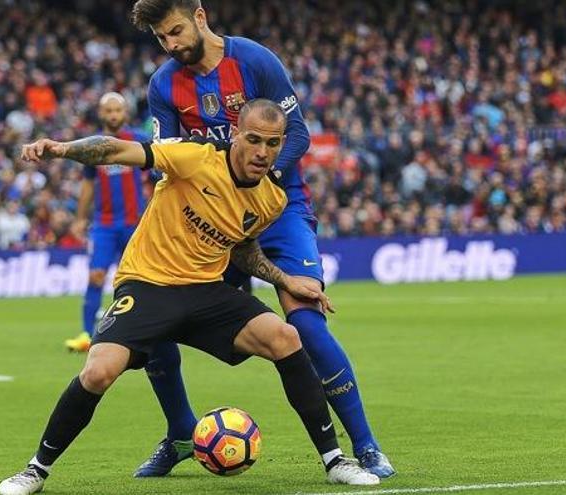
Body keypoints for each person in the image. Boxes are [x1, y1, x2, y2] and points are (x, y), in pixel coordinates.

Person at [0, 100, 379, 495]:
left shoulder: (271, 199)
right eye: (253, 140)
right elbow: (115, 149)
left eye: (272, 143)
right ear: (235, 134)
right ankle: (35, 471)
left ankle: (335, 460)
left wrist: (286, 280)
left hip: (205, 292)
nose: (262, 152)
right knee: (97, 372)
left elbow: (244, 249)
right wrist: (63, 148)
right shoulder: (194, 157)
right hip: (148, 283)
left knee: (286, 338)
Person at [130, 0, 395, 478]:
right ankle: (181, 434)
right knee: (153, 321)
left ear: (200, 16)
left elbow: (298, 134)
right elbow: (165, 158)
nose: (171, 45)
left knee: (308, 326)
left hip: (280, 208)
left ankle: (366, 445)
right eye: (161, 39)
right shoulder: (164, 84)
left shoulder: (254, 60)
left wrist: (262, 179)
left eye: (174, 31)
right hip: (212, 220)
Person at [64, 92, 150, 352]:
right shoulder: (94, 145)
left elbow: (158, 175)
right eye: (108, 110)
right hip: (104, 223)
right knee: (96, 275)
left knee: (139, 279)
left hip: (135, 222)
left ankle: (142, 332)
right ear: (101, 114)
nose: (113, 115)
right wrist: (80, 218)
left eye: (117, 110)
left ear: (125, 113)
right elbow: (88, 184)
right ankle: (86, 334)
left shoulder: (139, 140)